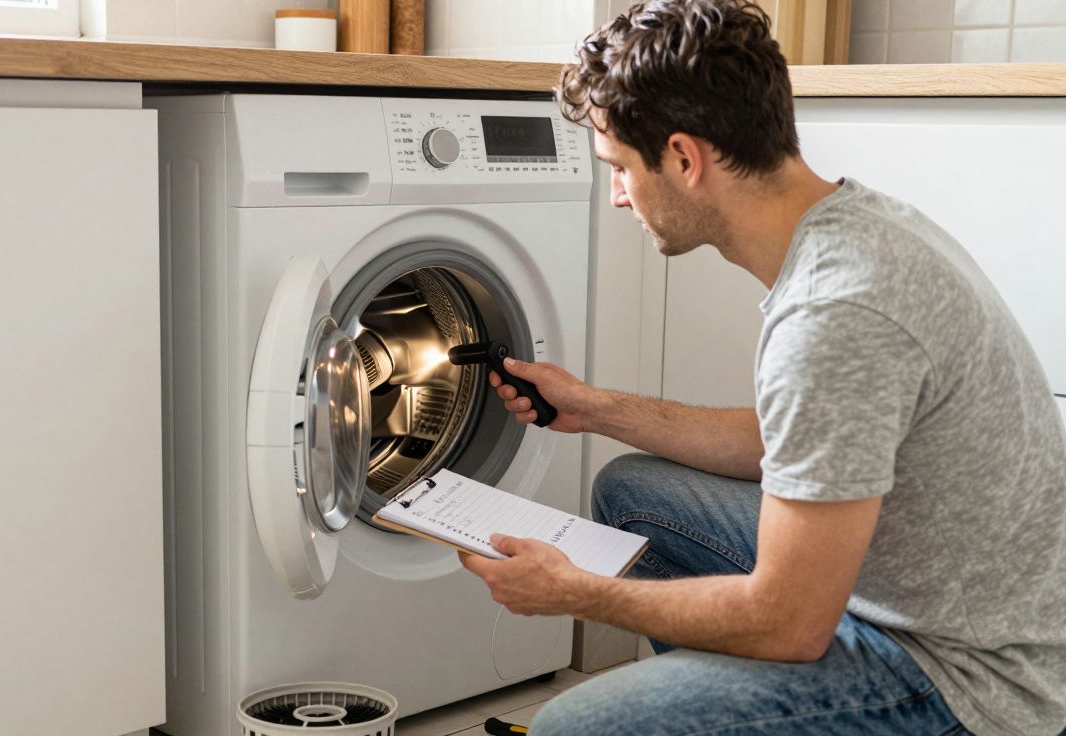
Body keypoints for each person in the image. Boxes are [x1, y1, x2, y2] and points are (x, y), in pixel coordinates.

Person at [457, 1, 1066, 734]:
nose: (618, 194)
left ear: (685, 160)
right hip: (916, 591)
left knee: (576, 726)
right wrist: (596, 409)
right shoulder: (852, 227)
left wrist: (573, 591)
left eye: (620, 168)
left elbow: (788, 623)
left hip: (966, 677)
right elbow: (794, 444)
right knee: (632, 494)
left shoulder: (836, 311)